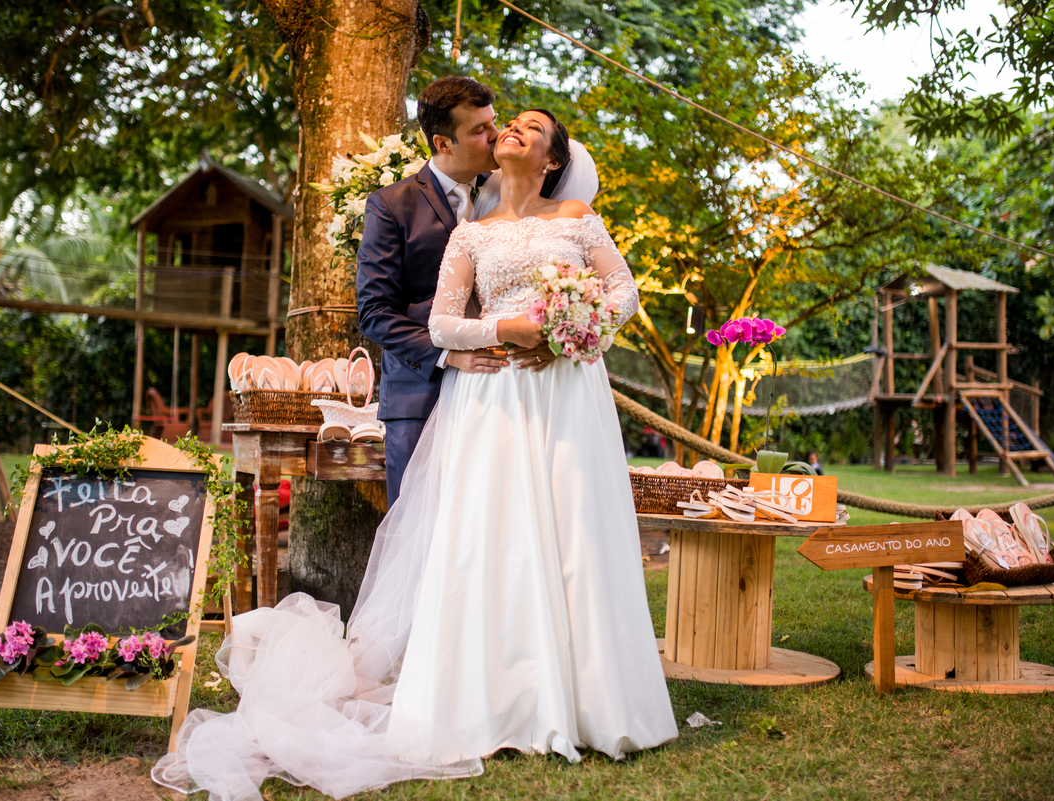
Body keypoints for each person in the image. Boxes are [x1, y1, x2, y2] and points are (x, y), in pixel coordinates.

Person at [151, 108, 677, 800]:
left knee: (572, 529)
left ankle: (587, 699)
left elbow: (624, 289)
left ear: (553, 159)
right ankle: (497, 695)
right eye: (507, 123)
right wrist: (504, 329)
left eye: (531, 128)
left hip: (567, 393)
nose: (513, 130)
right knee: (490, 543)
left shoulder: (577, 215)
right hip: (492, 398)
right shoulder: (470, 233)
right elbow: (439, 321)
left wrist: (578, 335)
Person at [356, 76, 552, 508]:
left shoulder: (508, 192)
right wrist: (448, 354)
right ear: (443, 143)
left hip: (501, 393)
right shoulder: (393, 205)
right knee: (419, 532)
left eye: (493, 122)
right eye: (479, 131)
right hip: (420, 395)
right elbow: (374, 311)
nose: (495, 136)